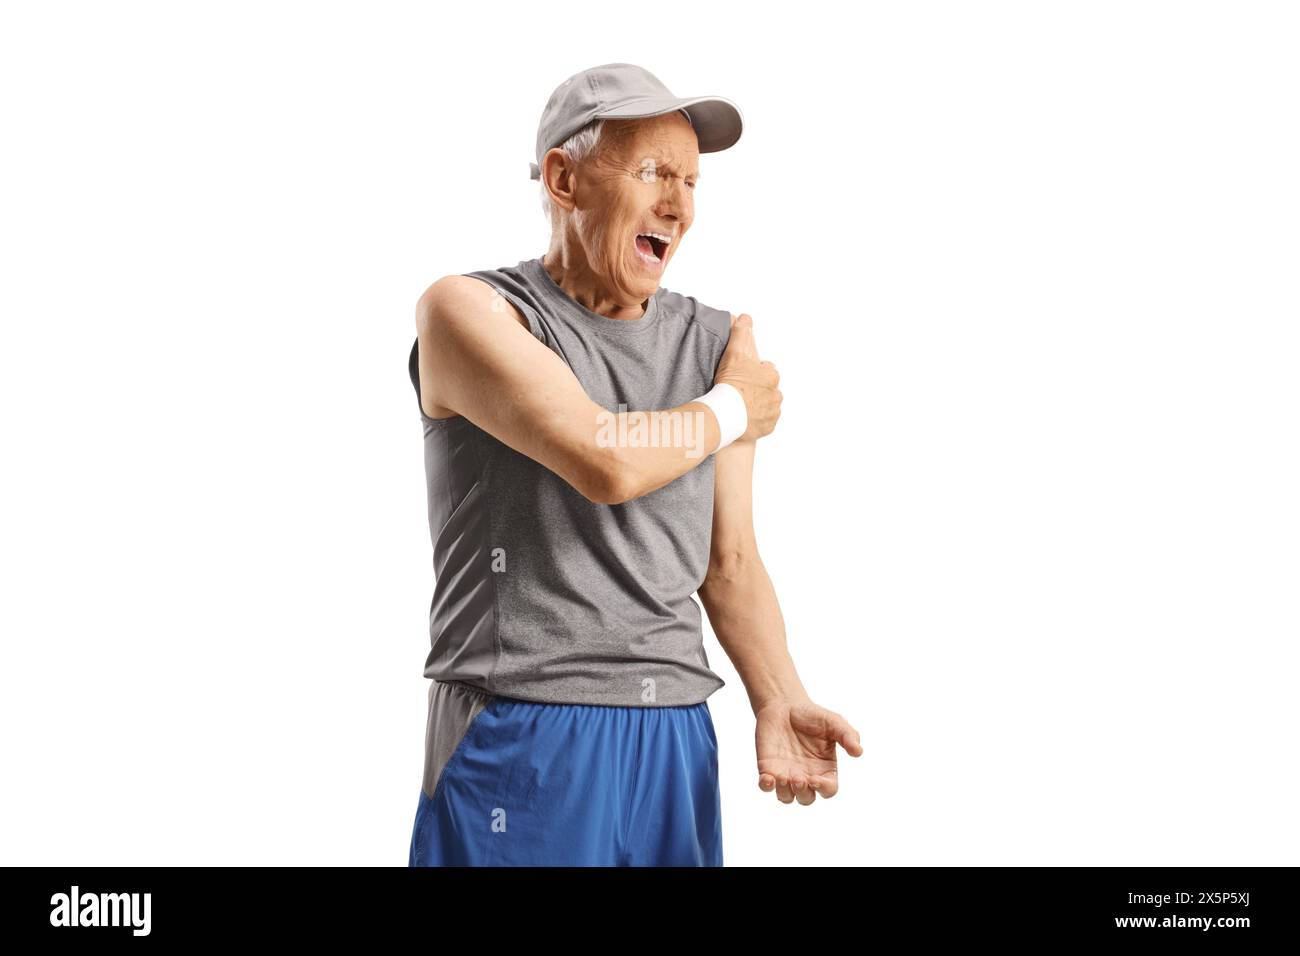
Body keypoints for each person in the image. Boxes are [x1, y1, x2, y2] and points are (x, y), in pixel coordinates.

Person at [407, 63, 862, 866]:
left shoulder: (715, 344)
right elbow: (603, 459)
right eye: (653, 172)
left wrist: (780, 697)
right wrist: (732, 410)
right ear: (564, 178)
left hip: (675, 732)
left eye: (690, 181)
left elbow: (729, 561)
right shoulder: (468, 312)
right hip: (522, 727)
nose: (679, 204)